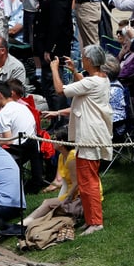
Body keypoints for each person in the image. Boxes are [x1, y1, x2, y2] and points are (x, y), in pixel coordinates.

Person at [45, 46, 113, 235]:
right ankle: (91, 219)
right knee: (85, 181)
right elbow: (84, 83)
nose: (82, 59)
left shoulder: (93, 82)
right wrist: (74, 71)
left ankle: (96, 222)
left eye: (83, 58)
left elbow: (60, 90)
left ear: (89, 61)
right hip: (91, 134)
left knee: (88, 181)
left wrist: (53, 68)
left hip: (89, 136)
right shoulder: (101, 79)